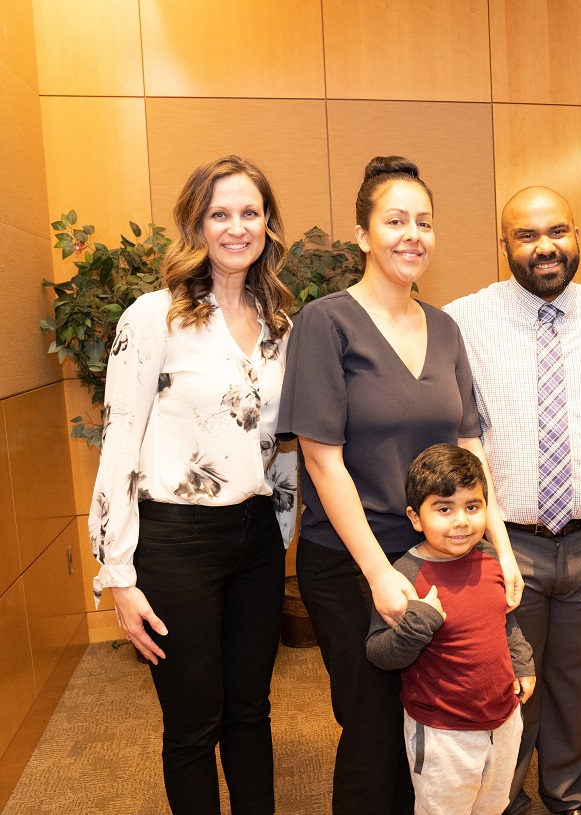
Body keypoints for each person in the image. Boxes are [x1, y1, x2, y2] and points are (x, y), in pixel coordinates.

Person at [276, 156, 522, 815]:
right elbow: (323, 461)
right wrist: (380, 573)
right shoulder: (325, 323)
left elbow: (470, 445)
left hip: (441, 556)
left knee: (434, 720)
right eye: (395, 220)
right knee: (376, 726)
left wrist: (497, 543)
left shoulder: (444, 328)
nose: (412, 234)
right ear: (363, 235)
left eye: (424, 222)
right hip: (354, 559)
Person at [88, 155, 298, 815]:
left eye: (250, 212)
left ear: (267, 224)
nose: (237, 227)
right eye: (221, 213)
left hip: (257, 538)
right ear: (197, 225)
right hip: (176, 542)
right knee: (191, 723)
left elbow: (282, 442)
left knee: (250, 710)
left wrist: (283, 527)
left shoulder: (281, 324)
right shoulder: (154, 317)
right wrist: (117, 574)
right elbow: (119, 439)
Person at [444, 186, 581, 815]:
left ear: (578, 237)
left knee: (580, 682)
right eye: (527, 236)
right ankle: (503, 800)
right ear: (505, 245)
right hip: (504, 544)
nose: (546, 247)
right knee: (505, 682)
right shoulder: (462, 321)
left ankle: (568, 792)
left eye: (557, 231)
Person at [367, 443, 536, 815]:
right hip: (443, 732)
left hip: (503, 720)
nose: (461, 521)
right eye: (444, 509)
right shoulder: (404, 576)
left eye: (472, 507)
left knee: (493, 805)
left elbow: (505, 620)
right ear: (415, 517)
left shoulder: (491, 558)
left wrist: (522, 663)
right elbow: (378, 652)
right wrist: (418, 625)